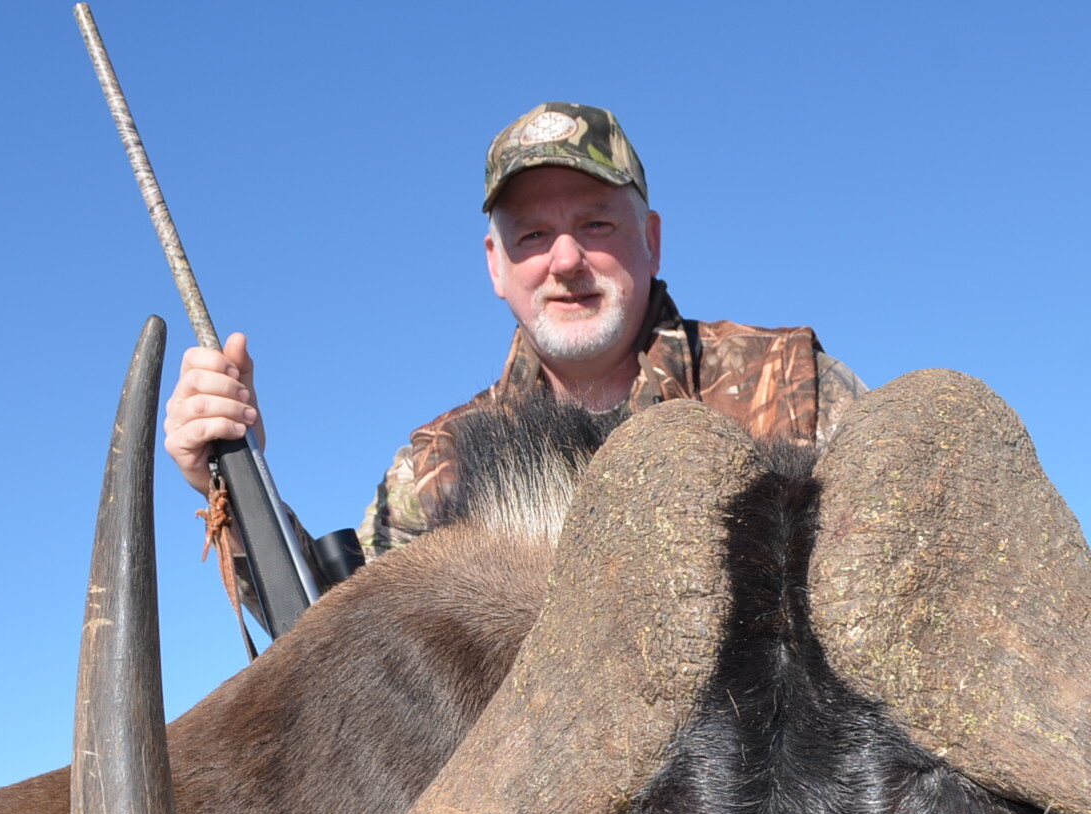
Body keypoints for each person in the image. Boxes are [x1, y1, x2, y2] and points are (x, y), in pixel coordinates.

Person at [161, 101, 866, 566]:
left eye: (596, 224)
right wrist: (228, 475)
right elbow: (335, 628)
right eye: (532, 235)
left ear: (651, 240)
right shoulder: (437, 464)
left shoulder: (795, 382)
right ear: (496, 267)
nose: (565, 260)